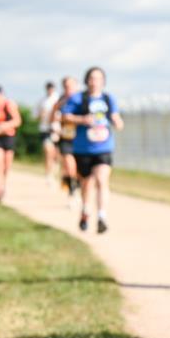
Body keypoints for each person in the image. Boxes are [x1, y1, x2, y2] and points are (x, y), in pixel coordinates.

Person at [62, 67, 123, 234]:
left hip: (104, 147)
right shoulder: (78, 98)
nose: (95, 81)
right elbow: (65, 116)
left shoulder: (108, 99)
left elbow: (115, 116)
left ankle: (102, 216)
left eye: (98, 78)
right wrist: (82, 119)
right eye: (92, 78)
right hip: (83, 148)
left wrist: (118, 122)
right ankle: (85, 210)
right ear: (87, 80)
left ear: (103, 81)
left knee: (102, 180)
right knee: (86, 183)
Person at [52, 76, 81, 205]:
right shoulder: (60, 101)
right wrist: (56, 126)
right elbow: (53, 118)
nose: (68, 88)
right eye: (66, 86)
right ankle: (72, 190)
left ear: (76, 86)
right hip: (65, 137)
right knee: (69, 165)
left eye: (70, 86)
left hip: (80, 138)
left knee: (79, 167)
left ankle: (77, 186)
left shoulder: (82, 99)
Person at [35, 81, 60, 186]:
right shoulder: (42, 101)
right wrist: (41, 115)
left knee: (56, 154)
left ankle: (54, 172)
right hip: (45, 129)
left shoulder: (58, 99)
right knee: (48, 151)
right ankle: (48, 175)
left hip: (57, 130)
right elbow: (36, 115)